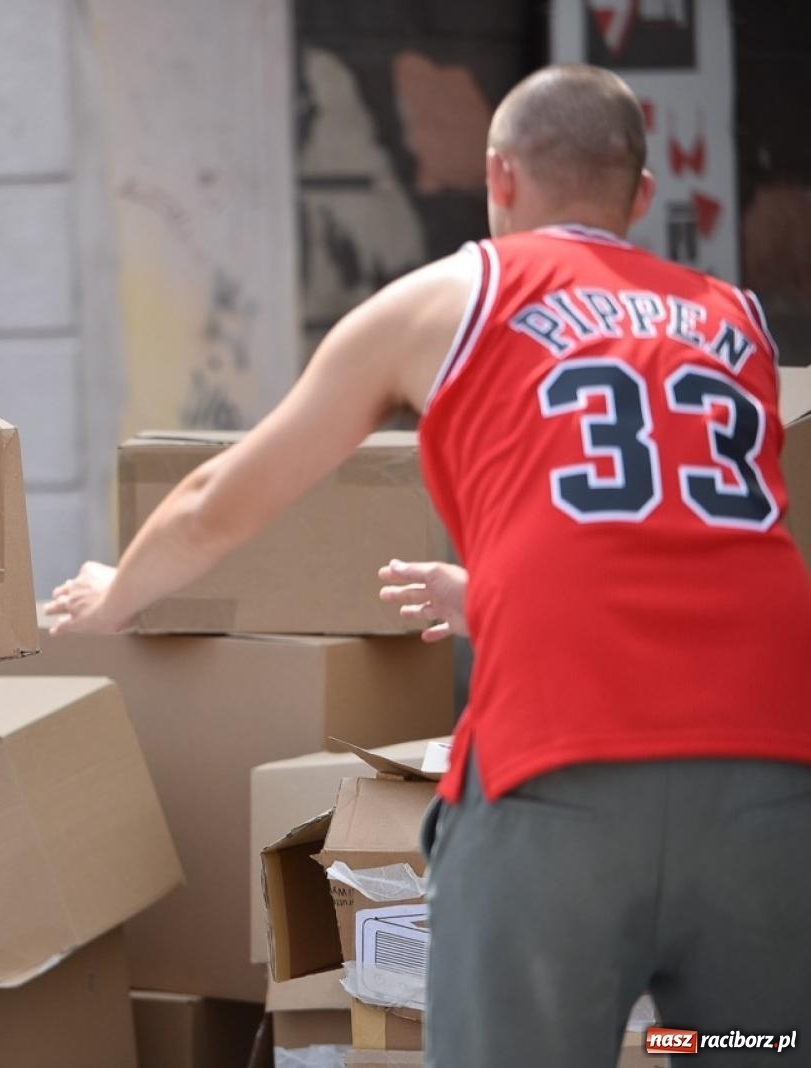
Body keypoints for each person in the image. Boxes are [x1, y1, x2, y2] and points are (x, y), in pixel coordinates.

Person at [48, 65, 811, 1068]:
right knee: (747, 1047)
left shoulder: (448, 299)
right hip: (771, 775)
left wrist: (118, 594)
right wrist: (491, 594)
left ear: (497, 176)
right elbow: (670, 538)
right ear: (639, 196)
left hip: (558, 772)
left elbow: (217, 496)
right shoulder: (739, 321)